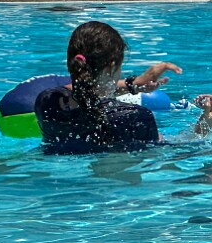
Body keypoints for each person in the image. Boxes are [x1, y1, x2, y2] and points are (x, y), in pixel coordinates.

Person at [35, 20, 212, 154]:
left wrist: (133, 84)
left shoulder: (47, 102)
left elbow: (84, 90)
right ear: (112, 66)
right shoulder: (134, 116)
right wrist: (206, 119)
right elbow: (174, 152)